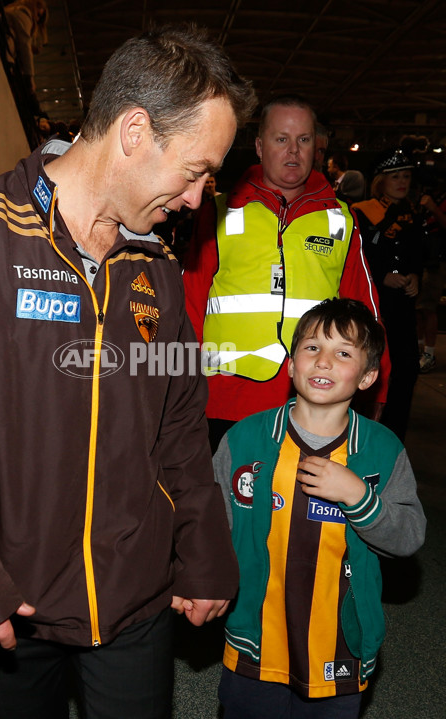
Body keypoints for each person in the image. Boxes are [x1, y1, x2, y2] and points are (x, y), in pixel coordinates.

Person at [0, 25, 257, 719]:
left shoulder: (157, 271)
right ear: (135, 130)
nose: (198, 200)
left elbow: (179, 428)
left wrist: (203, 547)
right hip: (12, 595)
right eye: (196, 170)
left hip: (135, 600)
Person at [213, 298, 426, 719]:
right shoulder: (245, 439)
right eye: (311, 348)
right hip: (254, 635)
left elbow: (409, 537)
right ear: (291, 365)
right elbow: (211, 525)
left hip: (340, 645)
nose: (323, 362)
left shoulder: (382, 451)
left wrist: (358, 498)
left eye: (343, 353)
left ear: (367, 377)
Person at [183, 95, 388, 452]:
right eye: (281, 139)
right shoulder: (217, 212)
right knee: (223, 505)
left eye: (304, 140)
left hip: (313, 403)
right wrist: (179, 386)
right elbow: (188, 303)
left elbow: (365, 309)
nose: (293, 151)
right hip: (224, 401)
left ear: (316, 146)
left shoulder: (341, 220)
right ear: (260, 147)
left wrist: (379, 383)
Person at [352, 149, 425, 442]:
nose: (402, 182)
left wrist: (416, 276)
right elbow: (358, 256)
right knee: (371, 368)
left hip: (404, 304)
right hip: (375, 302)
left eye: (406, 176)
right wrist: (382, 275)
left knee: (407, 370)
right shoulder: (362, 211)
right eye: (395, 177)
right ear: (381, 181)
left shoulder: (414, 214)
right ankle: (361, 433)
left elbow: (418, 254)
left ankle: (394, 437)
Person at [416, 187, 446, 373]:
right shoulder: (427, 194)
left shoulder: (438, 201)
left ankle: (429, 353)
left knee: (427, 307)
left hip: (438, 260)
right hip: (422, 258)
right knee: (418, 308)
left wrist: (434, 208)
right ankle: (419, 350)